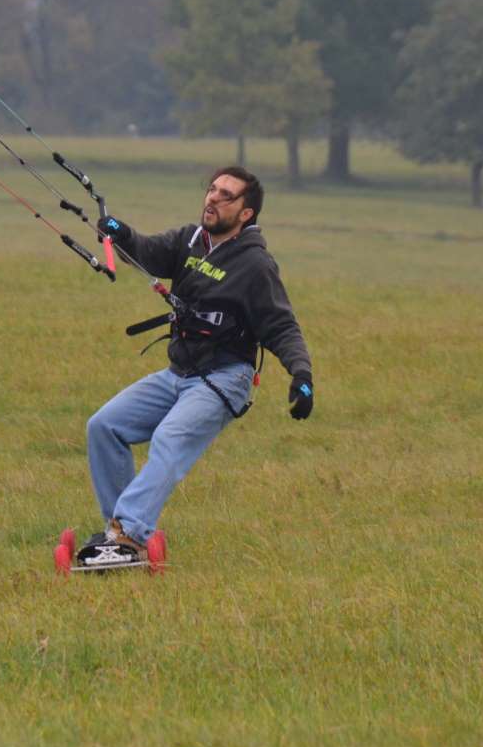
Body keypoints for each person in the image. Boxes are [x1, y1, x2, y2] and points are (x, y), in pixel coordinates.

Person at [78, 166, 314, 565]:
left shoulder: (255, 265)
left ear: (245, 214)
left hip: (225, 379)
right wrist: (120, 233)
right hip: (177, 374)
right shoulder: (190, 239)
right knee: (104, 426)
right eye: (212, 189)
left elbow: (281, 325)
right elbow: (148, 251)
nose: (213, 198)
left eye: (226, 196)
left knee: (169, 437)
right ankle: (117, 538)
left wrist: (302, 375)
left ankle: (129, 534)